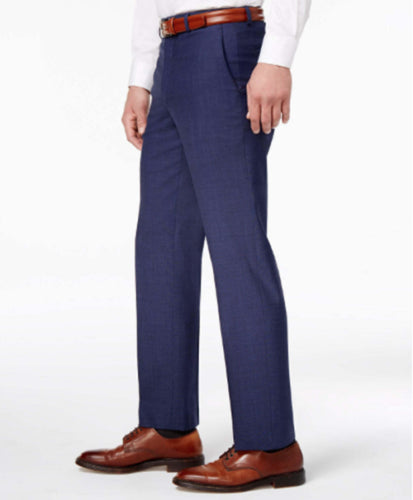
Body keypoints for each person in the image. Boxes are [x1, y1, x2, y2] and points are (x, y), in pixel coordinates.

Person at [75, 1, 311, 493]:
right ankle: (169, 428)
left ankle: (270, 444)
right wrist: (141, 77)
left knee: (236, 243)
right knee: (161, 245)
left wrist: (278, 54)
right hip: (172, 51)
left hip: (228, 39)